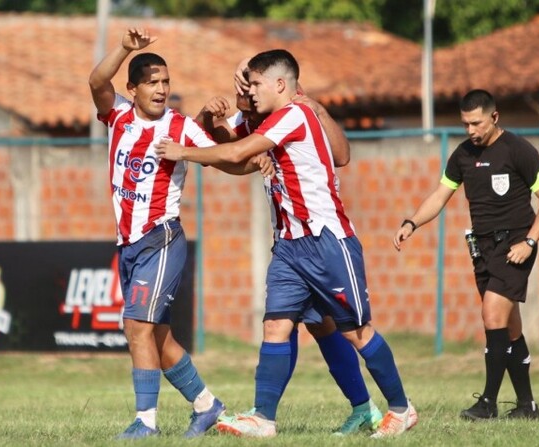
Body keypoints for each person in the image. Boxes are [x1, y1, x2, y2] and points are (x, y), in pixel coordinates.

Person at [155, 49, 417, 438]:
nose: (248, 91)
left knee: (355, 331)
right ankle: (263, 417)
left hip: (327, 241)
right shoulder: (263, 120)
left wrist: (184, 153)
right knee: (276, 325)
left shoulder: (295, 114)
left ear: (279, 84)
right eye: (245, 83)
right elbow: (233, 150)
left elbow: (240, 152)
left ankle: (401, 408)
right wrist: (211, 118)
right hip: (290, 246)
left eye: (253, 83)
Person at [88, 27, 271, 439]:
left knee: (136, 326)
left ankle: (145, 423)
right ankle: (207, 406)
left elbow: (223, 159)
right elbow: (97, 81)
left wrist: (253, 162)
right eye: (152, 82)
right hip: (129, 244)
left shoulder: (180, 127)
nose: (161, 89)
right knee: (158, 336)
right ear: (132, 89)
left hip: (162, 238)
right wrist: (123, 48)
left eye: (166, 82)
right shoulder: (117, 114)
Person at [393, 89, 539, 421]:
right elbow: (440, 196)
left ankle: (488, 403)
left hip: (515, 246)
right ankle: (527, 407)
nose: (471, 130)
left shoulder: (518, 149)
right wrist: (412, 222)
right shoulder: (463, 154)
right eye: (466, 124)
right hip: (482, 249)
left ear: (494, 118)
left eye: (476, 123)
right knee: (509, 327)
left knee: (492, 314)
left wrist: (529, 242)